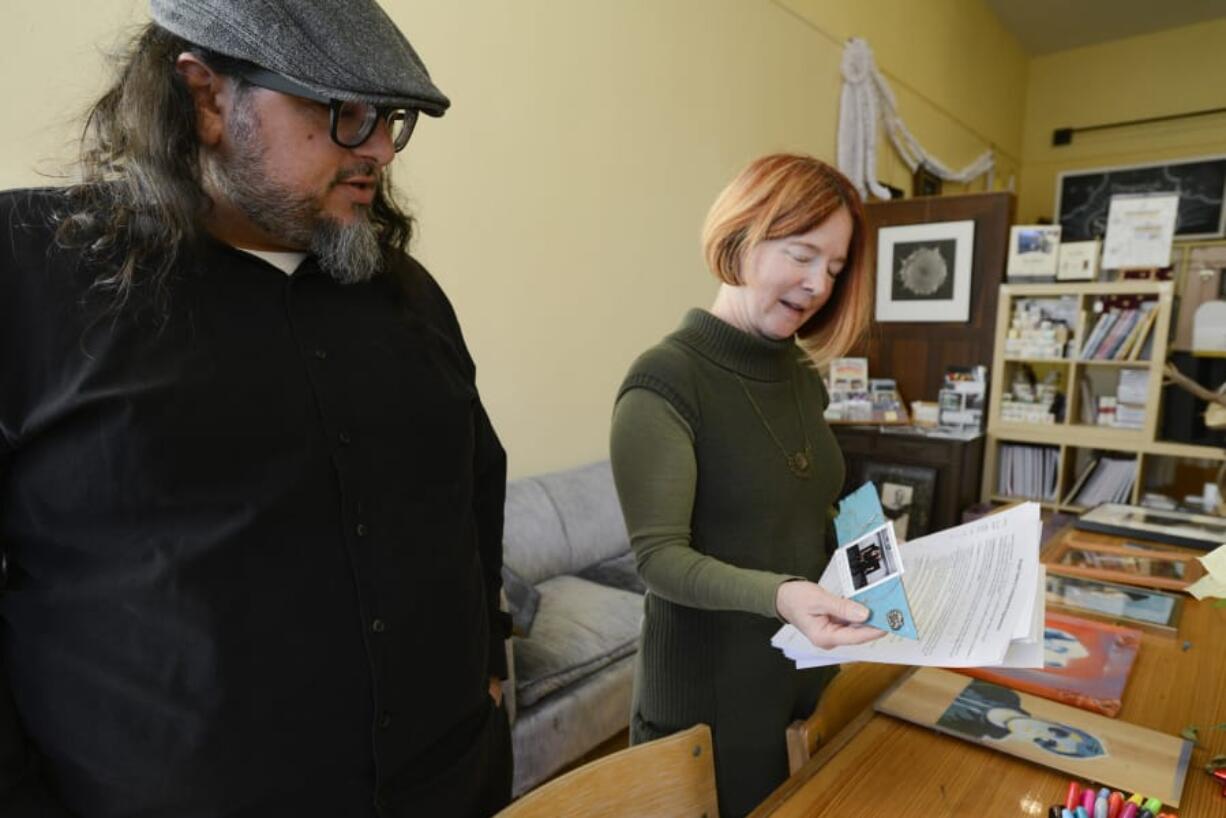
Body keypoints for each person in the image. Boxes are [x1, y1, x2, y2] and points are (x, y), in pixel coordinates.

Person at [0, 2, 512, 816]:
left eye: (392, 120)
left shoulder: (408, 295)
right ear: (206, 97)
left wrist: (490, 655)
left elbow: (476, 482)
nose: (378, 148)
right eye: (345, 114)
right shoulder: (27, 272)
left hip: (449, 785)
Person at [609, 153, 885, 817]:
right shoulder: (665, 380)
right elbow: (659, 561)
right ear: (740, 237)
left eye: (836, 267)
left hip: (803, 672)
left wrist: (883, 564)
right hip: (711, 703)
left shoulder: (799, 374)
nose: (819, 283)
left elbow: (816, 503)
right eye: (802, 254)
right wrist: (782, 594)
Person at [936, 679, 1105, 758]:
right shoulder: (1007, 695)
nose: (1041, 734)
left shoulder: (979, 733)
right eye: (1057, 733)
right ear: (1056, 723)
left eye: (1047, 743)